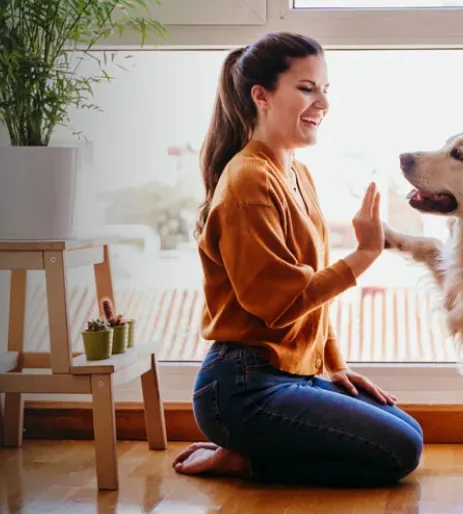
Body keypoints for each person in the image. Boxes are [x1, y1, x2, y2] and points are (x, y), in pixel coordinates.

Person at [172, 32, 425, 488]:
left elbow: (310, 296)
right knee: (399, 452)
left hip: (290, 373)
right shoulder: (247, 181)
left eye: (325, 89)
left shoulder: (295, 171)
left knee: (409, 431)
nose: (322, 103)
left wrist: (335, 364)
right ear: (261, 96)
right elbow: (279, 303)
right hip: (241, 387)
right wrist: (366, 254)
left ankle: (251, 451)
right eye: (307, 88)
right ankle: (245, 461)